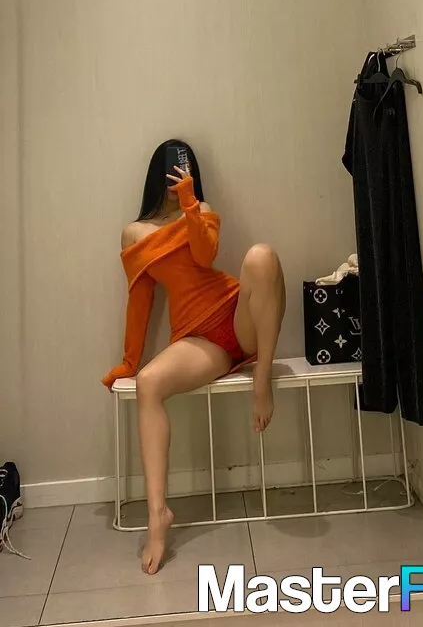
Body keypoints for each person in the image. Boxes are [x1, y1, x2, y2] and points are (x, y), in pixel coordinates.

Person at [102, 139, 286, 575]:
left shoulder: (200, 210)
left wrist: (189, 201)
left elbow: (206, 255)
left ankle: (261, 382)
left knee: (261, 255)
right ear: (157, 173)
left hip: (237, 315)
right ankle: (158, 516)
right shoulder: (135, 233)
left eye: (183, 170)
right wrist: (129, 361)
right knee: (148, 384)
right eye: (170, 170)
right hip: (200, 339)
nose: (176, 176)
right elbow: (140, 300)